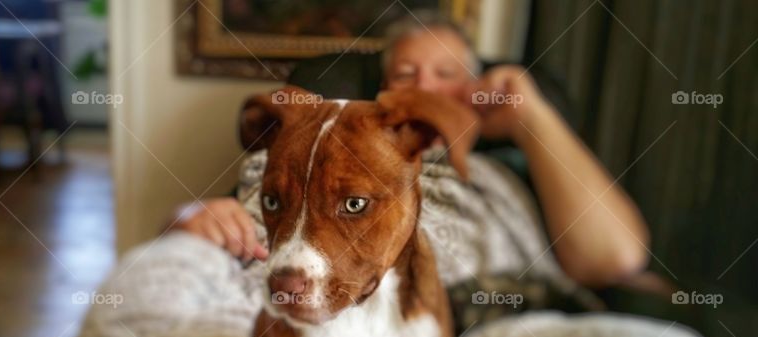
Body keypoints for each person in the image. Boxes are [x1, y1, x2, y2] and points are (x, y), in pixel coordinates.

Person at [166, 14, 650, 288]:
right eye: (405, 75)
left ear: (474, 92)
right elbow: (226, 211)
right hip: (249, 283)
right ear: (382, 94)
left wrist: (531, 117)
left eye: (446, 75)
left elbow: (615, 259)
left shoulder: (507, 169)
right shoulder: (311, 144)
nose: (424, 86)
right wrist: (190, 217)